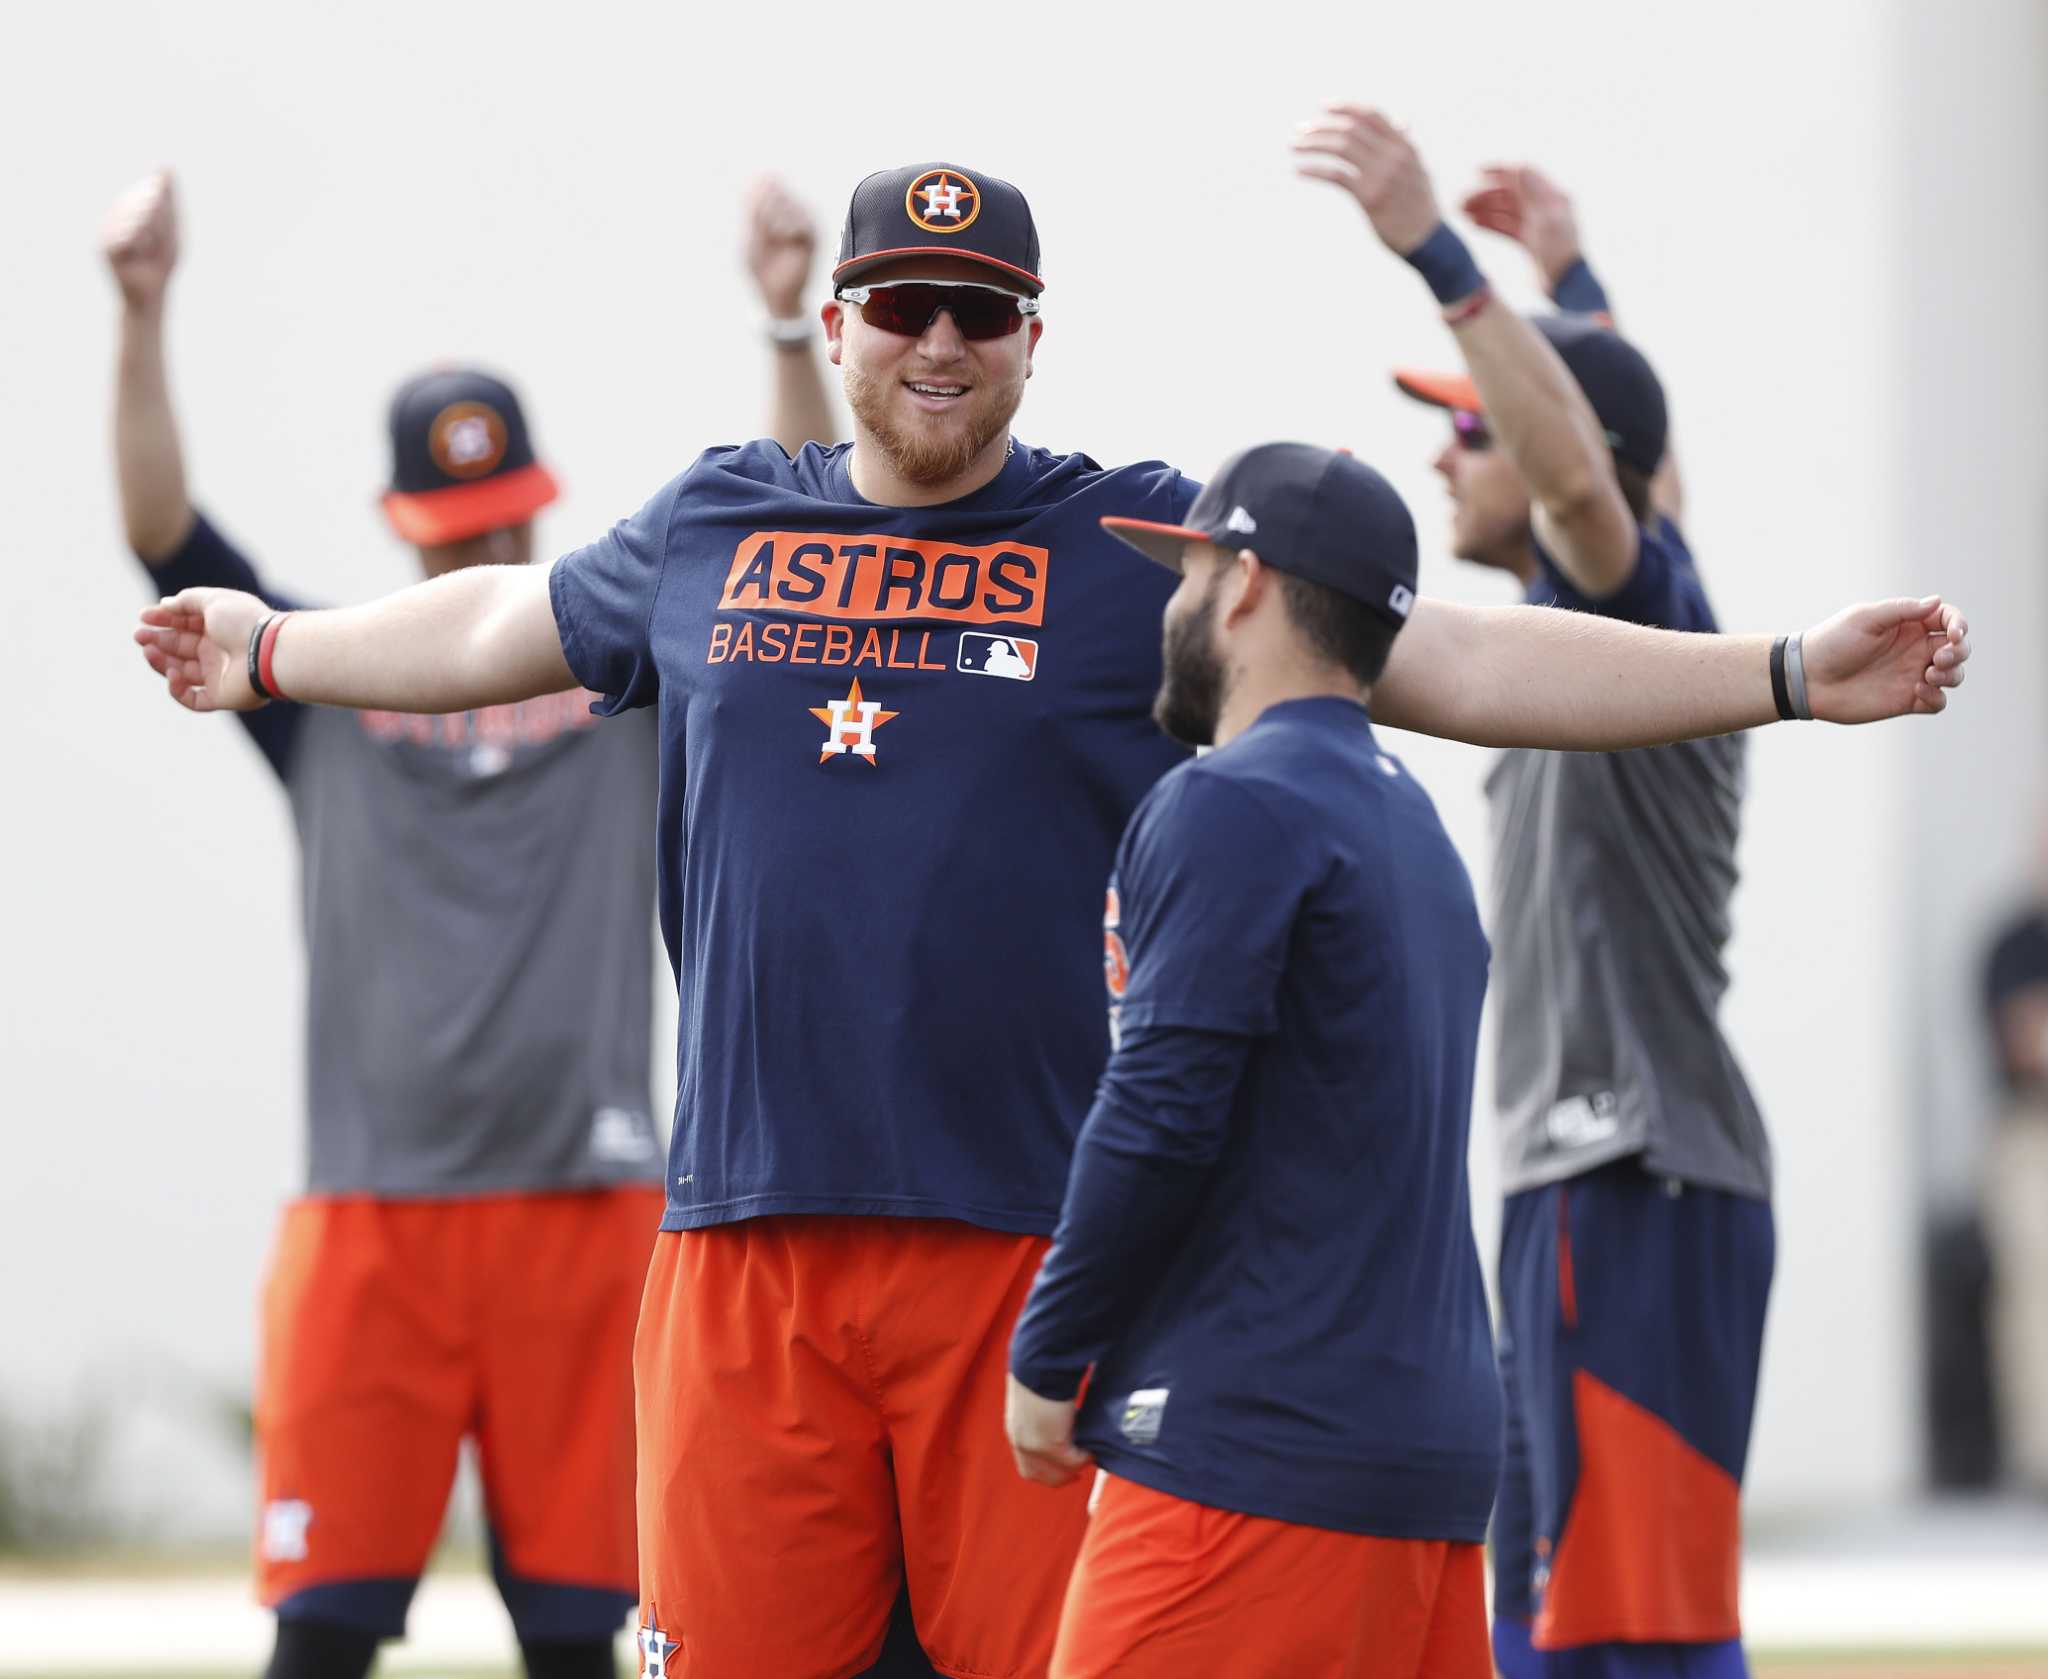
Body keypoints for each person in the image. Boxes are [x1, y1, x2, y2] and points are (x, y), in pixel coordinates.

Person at [133, 154, 1968, 1679]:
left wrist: (1786, 669)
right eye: (903, 303)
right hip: (740, 1246)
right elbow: (493, 620)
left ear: (1029, 337)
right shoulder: (711, 521)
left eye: (979, 309)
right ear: (837, 322)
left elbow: (1457, 652)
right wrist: (273, 646)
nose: (938, 342)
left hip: (1017, 1246)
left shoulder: (1132, 544)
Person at [102, 169, 668, 1679]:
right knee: (324, 1630)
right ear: (403, 533)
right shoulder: (327, 697)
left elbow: (794, 563)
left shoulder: (630, 692)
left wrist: (778, 316)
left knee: (579, 1634)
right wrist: (142, 312)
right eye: (453, 539)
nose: (480, 567)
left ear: (539, 511)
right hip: (372, 1218)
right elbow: (167, 537)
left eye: (502, 532)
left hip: (588, 1205)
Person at [1293, 109, 1776, 1678]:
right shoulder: (1610, 634)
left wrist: (1443, 253)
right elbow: (1613, 445)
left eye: (1469, 426)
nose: (1445, 446)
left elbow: (1588, 465)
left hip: (1634, 1174)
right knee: (1545, 1629)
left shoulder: (1630, 594)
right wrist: (1572, 271)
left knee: (1631, 1639)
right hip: (1594, 1181)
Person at [1006, 443, 1498, 1678]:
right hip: (1423, 1462)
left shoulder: (1227, 799)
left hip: (1253, 1448)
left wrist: (1047, 1349)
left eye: (1182, 575)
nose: (1167, 606)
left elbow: (1160, 1107)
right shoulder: (1411, 821)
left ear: (1240, 584)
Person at [1980, 840, 2048, 1495]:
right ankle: (2037, 1460)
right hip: (2032, 1135)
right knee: (2034, 1293)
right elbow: (2025, 1045)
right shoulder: (2015, 942)